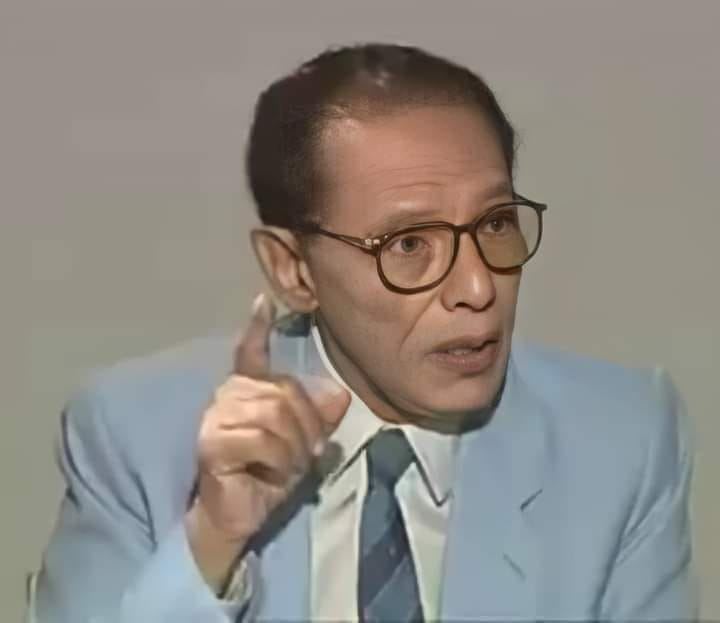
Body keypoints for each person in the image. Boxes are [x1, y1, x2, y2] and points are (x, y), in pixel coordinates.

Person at [29, 43, 696, 622]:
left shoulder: (622, 441)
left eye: (496, 224)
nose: (477, 287)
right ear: (293, 271)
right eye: (409, 244)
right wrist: (212, 541)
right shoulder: (135, 437)